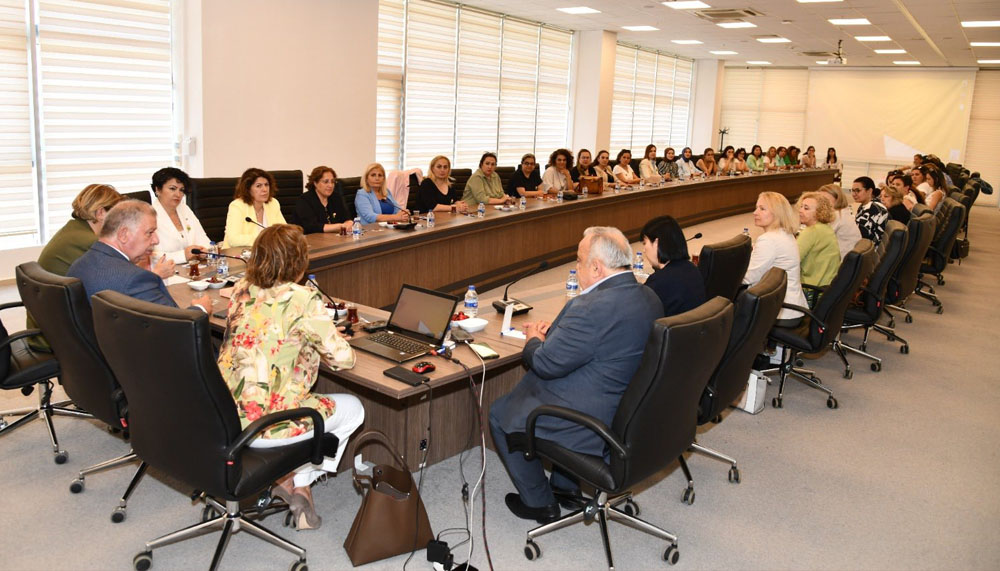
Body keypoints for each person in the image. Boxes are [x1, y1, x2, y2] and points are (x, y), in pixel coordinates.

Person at [489, 227, 663, 523]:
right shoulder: (650, 297)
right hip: (628, 407)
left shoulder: (589, 307)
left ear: (596, 268)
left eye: (579, 261)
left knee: (500, 413)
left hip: (591, 418)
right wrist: (561, 336)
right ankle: (565, 487)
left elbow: (544, 363)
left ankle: (540, 503)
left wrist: (534, 339)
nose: (576, 267)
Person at [218, 224, 364, 530]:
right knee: (354, 409)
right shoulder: (303, 298)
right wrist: (327, 335)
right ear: (299, 262)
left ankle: (288, 481)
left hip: (223, 415)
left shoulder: (241, 288)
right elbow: (343, 360)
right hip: (267, 425)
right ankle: (300, 483)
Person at [67, 200, 211, 312]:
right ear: (123, 235)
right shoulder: (136, 279)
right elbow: (178, 328)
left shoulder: (79, 265)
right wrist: (200, 308)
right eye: (150, 232)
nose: (156, 240)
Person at [29, 183, 124, 351]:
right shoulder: (90, 242)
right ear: (101, 213)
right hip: (57, 334)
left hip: (45, 324)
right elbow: (119, 282)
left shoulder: (74, 229)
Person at [743, 191, 808, 325]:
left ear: (777, 213)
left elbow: (749, 277)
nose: (755, 213)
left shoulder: (768, 239)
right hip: (795, 306)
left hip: (781, 310)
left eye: (762, 209)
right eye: (756, 208)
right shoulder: (786, 233)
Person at [639, 216, 706, 316]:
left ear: (656, 243)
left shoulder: (658, 282)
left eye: (645, 243)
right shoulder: (693, 268)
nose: (644, 250)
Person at [149, 167, 211, 263]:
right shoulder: (149, 216)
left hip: (194, 266)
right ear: (158, 189)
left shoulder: (184, 209)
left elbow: (202, 238)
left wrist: (205, 250)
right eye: (172, 189)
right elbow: (151, 256)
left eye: (181, 190)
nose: (178, 194)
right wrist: (183, 255)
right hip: (167, 269)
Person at [223, 168, 287, 248]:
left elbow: (284, 232)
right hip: (237, 253)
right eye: (258, 186)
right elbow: (233, 240)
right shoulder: (237, 206)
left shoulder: (273, 203)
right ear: (248, 189)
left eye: (266, 185)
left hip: (267, 252)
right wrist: (266, 239)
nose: (265, 189)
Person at [796, 192, 841, 305]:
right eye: (801, 206)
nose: (800, 210)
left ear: (819, 212)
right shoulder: (826, 228)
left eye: (806, 208)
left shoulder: (811, 232)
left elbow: (791, 260)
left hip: (810, 291)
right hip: (827, 289)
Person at [294, 166, 353, 234]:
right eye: (326, 182)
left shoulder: (336, 197)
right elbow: (311, 227)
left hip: (333, 237)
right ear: (315, 183)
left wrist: (349, 223)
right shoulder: (304, 200)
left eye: (333, 182)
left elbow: (346, 218)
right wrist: (340, 226)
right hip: (310, 238)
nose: (330, 185)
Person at [817, 184, 862, 259]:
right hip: (847, 255)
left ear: (837, 199)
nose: (822, 203)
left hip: (841, 259)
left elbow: (820, 238)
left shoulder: (837, 216)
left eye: (825, 199)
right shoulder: (842, 212)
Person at [851, 176, 889, 247]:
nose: (854, 194)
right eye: (852, 190)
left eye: (858, 190)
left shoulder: (873, 209)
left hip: (868, 249)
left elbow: (860, 235)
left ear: (869, 191)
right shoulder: (868, 204)